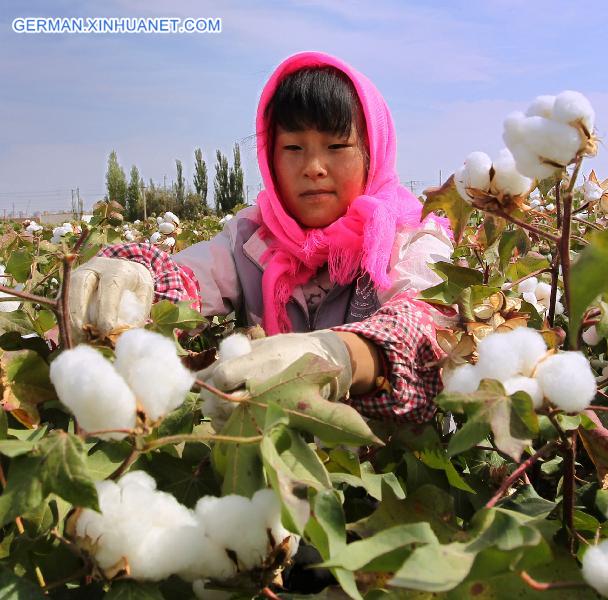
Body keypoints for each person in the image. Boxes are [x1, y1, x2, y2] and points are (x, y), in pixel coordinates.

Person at [67, 51, 453, 423]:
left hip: (385, 468)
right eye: (293, 148)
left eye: (337, 147)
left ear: (372, 151)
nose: (314, 168)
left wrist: (341, 356)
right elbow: (188, 282)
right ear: (270, 156)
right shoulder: (251, 238)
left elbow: (428, 328)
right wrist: (138, 280)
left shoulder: (414, 236)